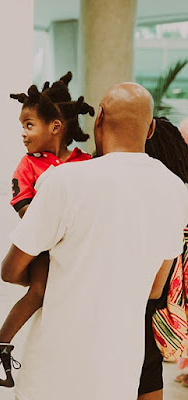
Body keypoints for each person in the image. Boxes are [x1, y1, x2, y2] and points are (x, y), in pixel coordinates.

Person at [1, 82, 188, 400]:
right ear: (151, 129)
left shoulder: (64, 180)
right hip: (119, 372)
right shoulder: (175, 191)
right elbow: (155, 289)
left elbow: (10, 270)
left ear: (98, 117)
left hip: (52, 374)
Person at [0, 72, 95, 387]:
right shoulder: (28, 165)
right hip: (44, 246)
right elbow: (24, 209)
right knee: (40, 292)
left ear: (55, 127)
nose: (23, 133)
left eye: (28, 125)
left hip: (74, 250)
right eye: (22, 126)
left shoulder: (86, 163)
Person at [138, 117, 188, 399]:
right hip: (162, 307)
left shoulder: (163, 194)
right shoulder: (177, 190)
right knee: (150, 376)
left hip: (147, 303)